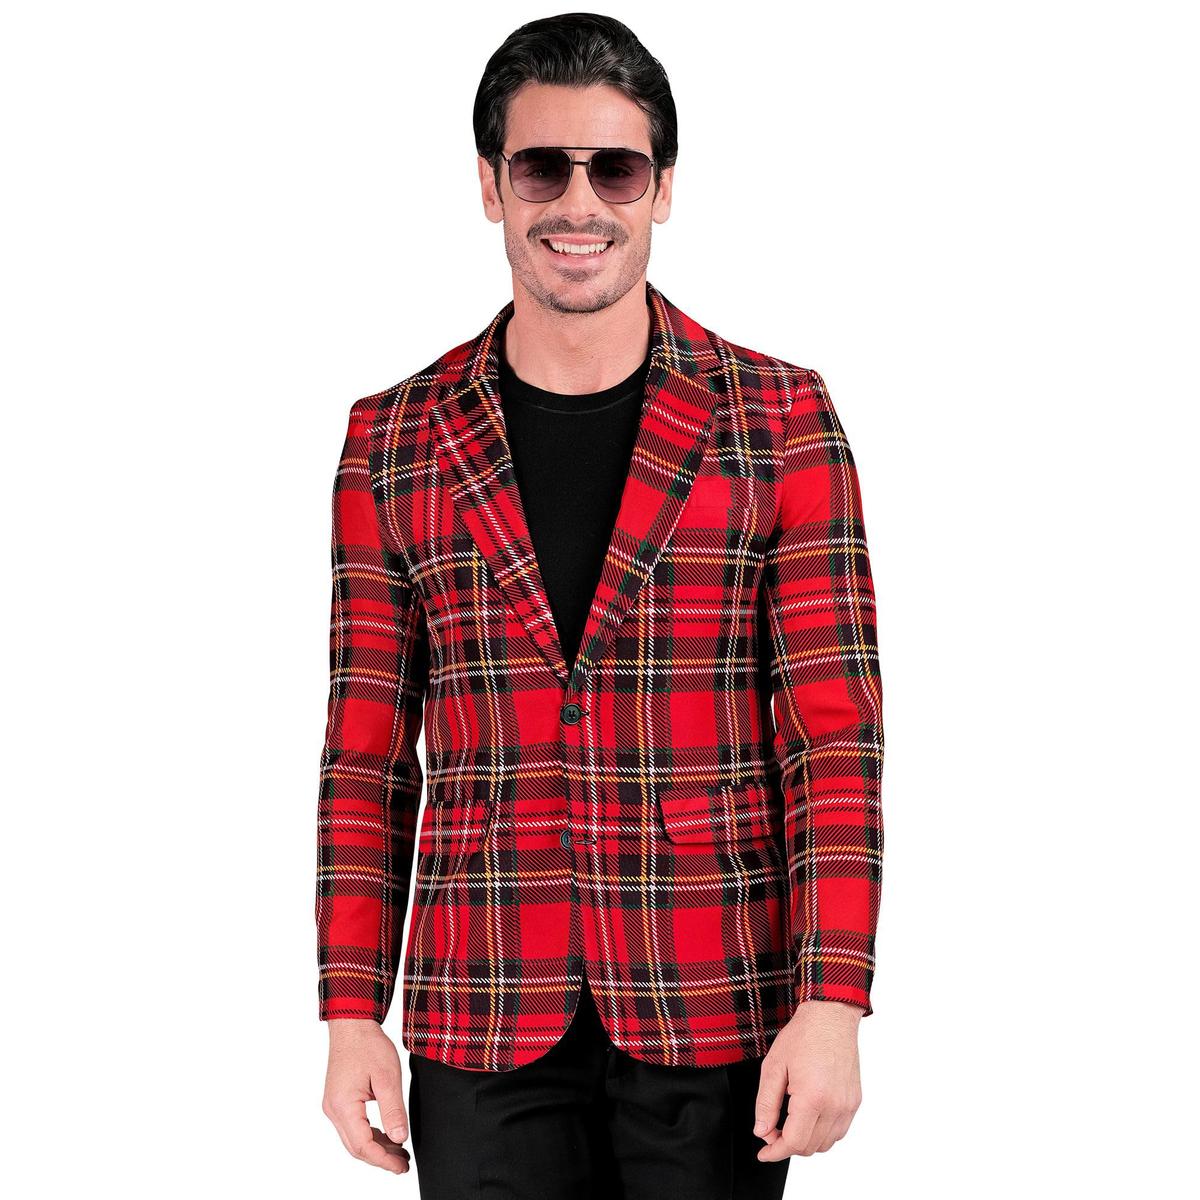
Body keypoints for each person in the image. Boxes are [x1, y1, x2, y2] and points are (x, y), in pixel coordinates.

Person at [316, 14, 884, 1198]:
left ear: (663, 188)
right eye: (542, 168)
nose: (579, 204)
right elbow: (367, 750)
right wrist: (350, 1010)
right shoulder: (392, 439)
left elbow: (833, 734)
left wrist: (833, 999)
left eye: (615, 169)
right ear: (490, 185)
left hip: (715, 996)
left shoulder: (781, 419)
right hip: (481, 1001)